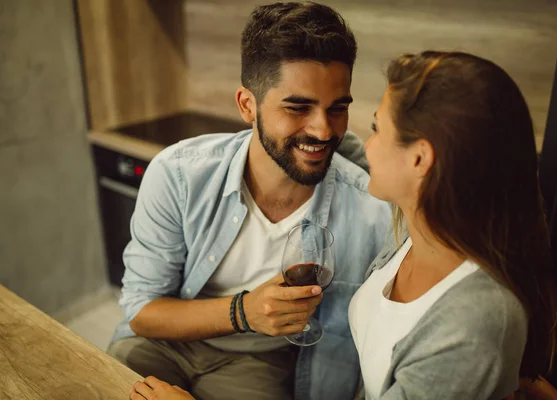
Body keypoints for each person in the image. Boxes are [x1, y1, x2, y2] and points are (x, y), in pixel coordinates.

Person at [110, 2, 390, 400]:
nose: (324, 130)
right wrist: (244, 312)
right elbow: (141, 312)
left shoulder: (370, 207)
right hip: (166, 343)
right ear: (247, 105)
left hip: (257, 361)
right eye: (298, 107)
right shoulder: (177, 174)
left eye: (337, 108)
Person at [348, 51, 557, 399]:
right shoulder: (422, 231)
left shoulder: (474, 320)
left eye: (376, 129)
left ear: (419, 158)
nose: (367, 146)